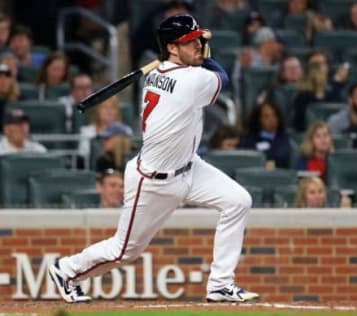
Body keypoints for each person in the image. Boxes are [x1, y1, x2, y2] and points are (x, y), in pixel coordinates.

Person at [48, 14, 259, 304]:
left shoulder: (158, 74)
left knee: (237, 201)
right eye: (190, 42)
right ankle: (66, 270)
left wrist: (197, 53)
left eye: (199, 40)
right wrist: (207, 57)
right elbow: (221, 77)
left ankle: (221, 284)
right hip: (153, 181)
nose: (198, 45)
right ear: (172, 48)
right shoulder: (191, 80)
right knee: (124, 251)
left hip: (189, 167)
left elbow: (200, 70)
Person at [292, 52, 348, 132]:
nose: (318, 68)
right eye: (315, 65)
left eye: (322, 64)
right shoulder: (302, 97)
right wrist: (336, 84)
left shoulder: (331, 92)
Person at [239, 101, 291, 168]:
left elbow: (283, 156)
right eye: (266, 116)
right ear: (258, 119)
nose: (271, 120)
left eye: (274, 115)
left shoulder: (284, 138)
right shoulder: (249, 139)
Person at [78, 96, 122, 163]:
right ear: (97, 110)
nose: (109, 111)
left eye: (113, 107)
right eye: (105, 107)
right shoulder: (86, 132)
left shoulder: (124, 131)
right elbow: (83, 158)